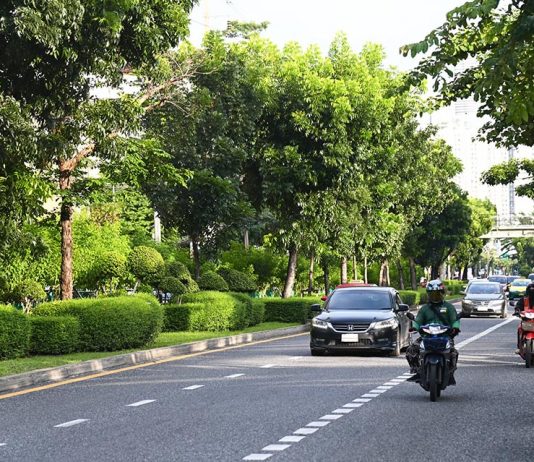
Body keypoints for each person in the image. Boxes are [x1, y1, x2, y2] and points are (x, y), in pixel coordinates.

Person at [406, 279, 461, 384]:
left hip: (445, 337)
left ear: (442, 293)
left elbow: (454, 319)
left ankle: (450, 373)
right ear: (428, 294)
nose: (435, 296)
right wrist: (414, 327)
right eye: (432, 294)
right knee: (411, 350)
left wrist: (455, 327)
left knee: (453, 353)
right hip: (426, 337)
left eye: (437, 294)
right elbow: (418, 320)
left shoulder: (449, 307)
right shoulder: (424, 309)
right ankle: (417, 371)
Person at [514, 283, 534, 354]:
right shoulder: (524, 299)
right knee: (519, 328)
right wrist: (517, 311)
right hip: (527, 321)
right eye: (530, 290)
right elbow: (518, 306)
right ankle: (519, 347)